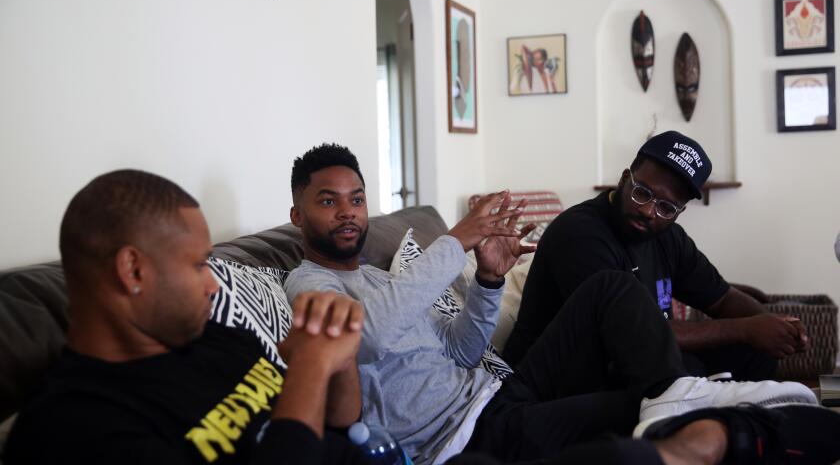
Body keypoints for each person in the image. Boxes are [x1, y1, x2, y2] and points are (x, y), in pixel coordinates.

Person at [283, 143, 817, 465]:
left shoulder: (381, 277)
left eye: (356, 199)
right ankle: (698, 402)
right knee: (644, 409)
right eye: (327, 202)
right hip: (463, 437)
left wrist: (490, 281)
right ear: (297, 215)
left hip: (496, 391)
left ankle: (681, 394)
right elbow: (369, 337)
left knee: (611, 289)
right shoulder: (307, 288)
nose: (348, 213)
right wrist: (456, 241)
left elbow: (463, 352)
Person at [5, 170, 369, 465]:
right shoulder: (69, 429)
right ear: (133, 271)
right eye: (198, 266)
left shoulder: (217, 338)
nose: (213, 285)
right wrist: (311, 367)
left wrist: (339, 351)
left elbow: (340, 424)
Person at [504, 131, 809, 382]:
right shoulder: (581, 233)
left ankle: (729, 430)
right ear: (625, 179)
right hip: (557, 372)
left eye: (666, 207)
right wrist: (746, 329)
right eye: (643, 193)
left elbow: (722, 298)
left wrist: (774, 323)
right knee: (683, 370)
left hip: (627, 358)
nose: (649, 211)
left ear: (680, 211)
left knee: (754, 354)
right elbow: (636, 334)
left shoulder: (668, 237)